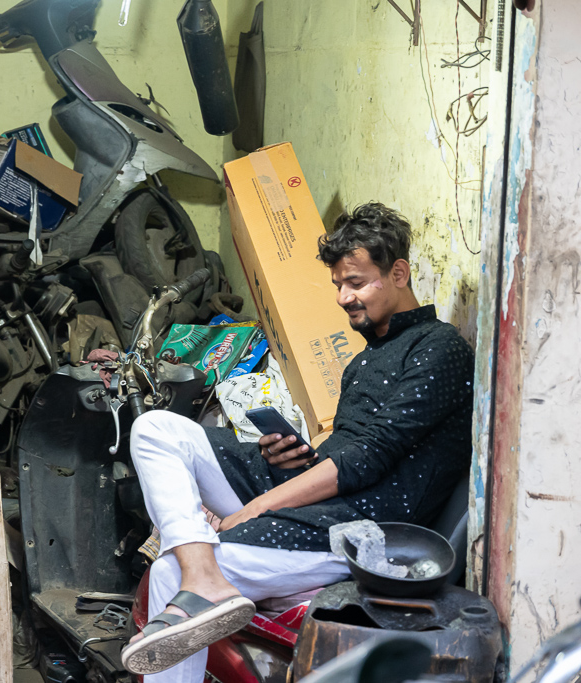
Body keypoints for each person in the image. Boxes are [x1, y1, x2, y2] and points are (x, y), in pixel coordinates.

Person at [121, 203, 475, 678]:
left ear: (398, 273)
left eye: (356, 283)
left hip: (362, 526)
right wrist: (292, 459)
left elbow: (367, 459)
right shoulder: (364, 361)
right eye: (338, 285)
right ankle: (204, 574)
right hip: (327, 500)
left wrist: (257, 507)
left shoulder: (440, 348)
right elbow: (346, 452)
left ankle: (199, 578)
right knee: (156, 428)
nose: (343, 298)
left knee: (170, 571)